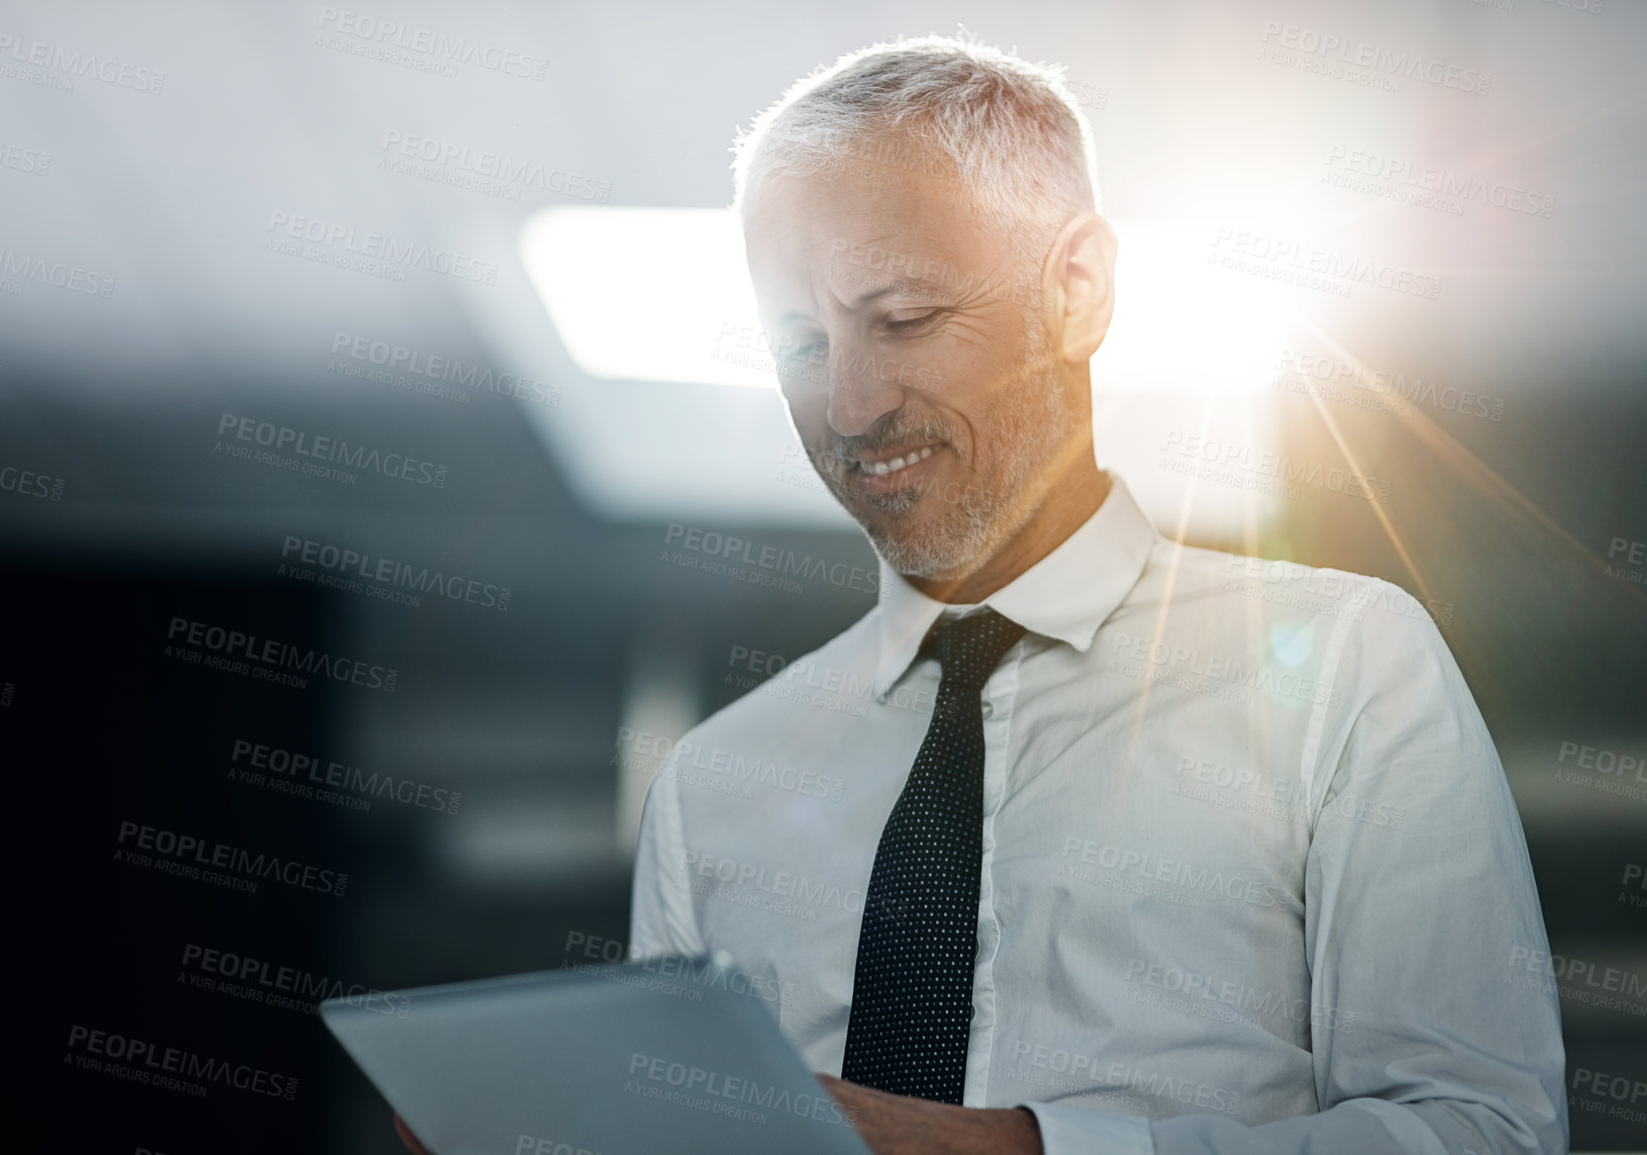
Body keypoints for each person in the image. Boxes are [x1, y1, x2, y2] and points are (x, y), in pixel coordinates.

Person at [624, 34, 1568, 1155]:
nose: (851, 404)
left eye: (906, 320)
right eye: (799, 341)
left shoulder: (1349, 668)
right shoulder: (709, 789)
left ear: (1075, 291)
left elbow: (1486, 1135)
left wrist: (1014, 1151)